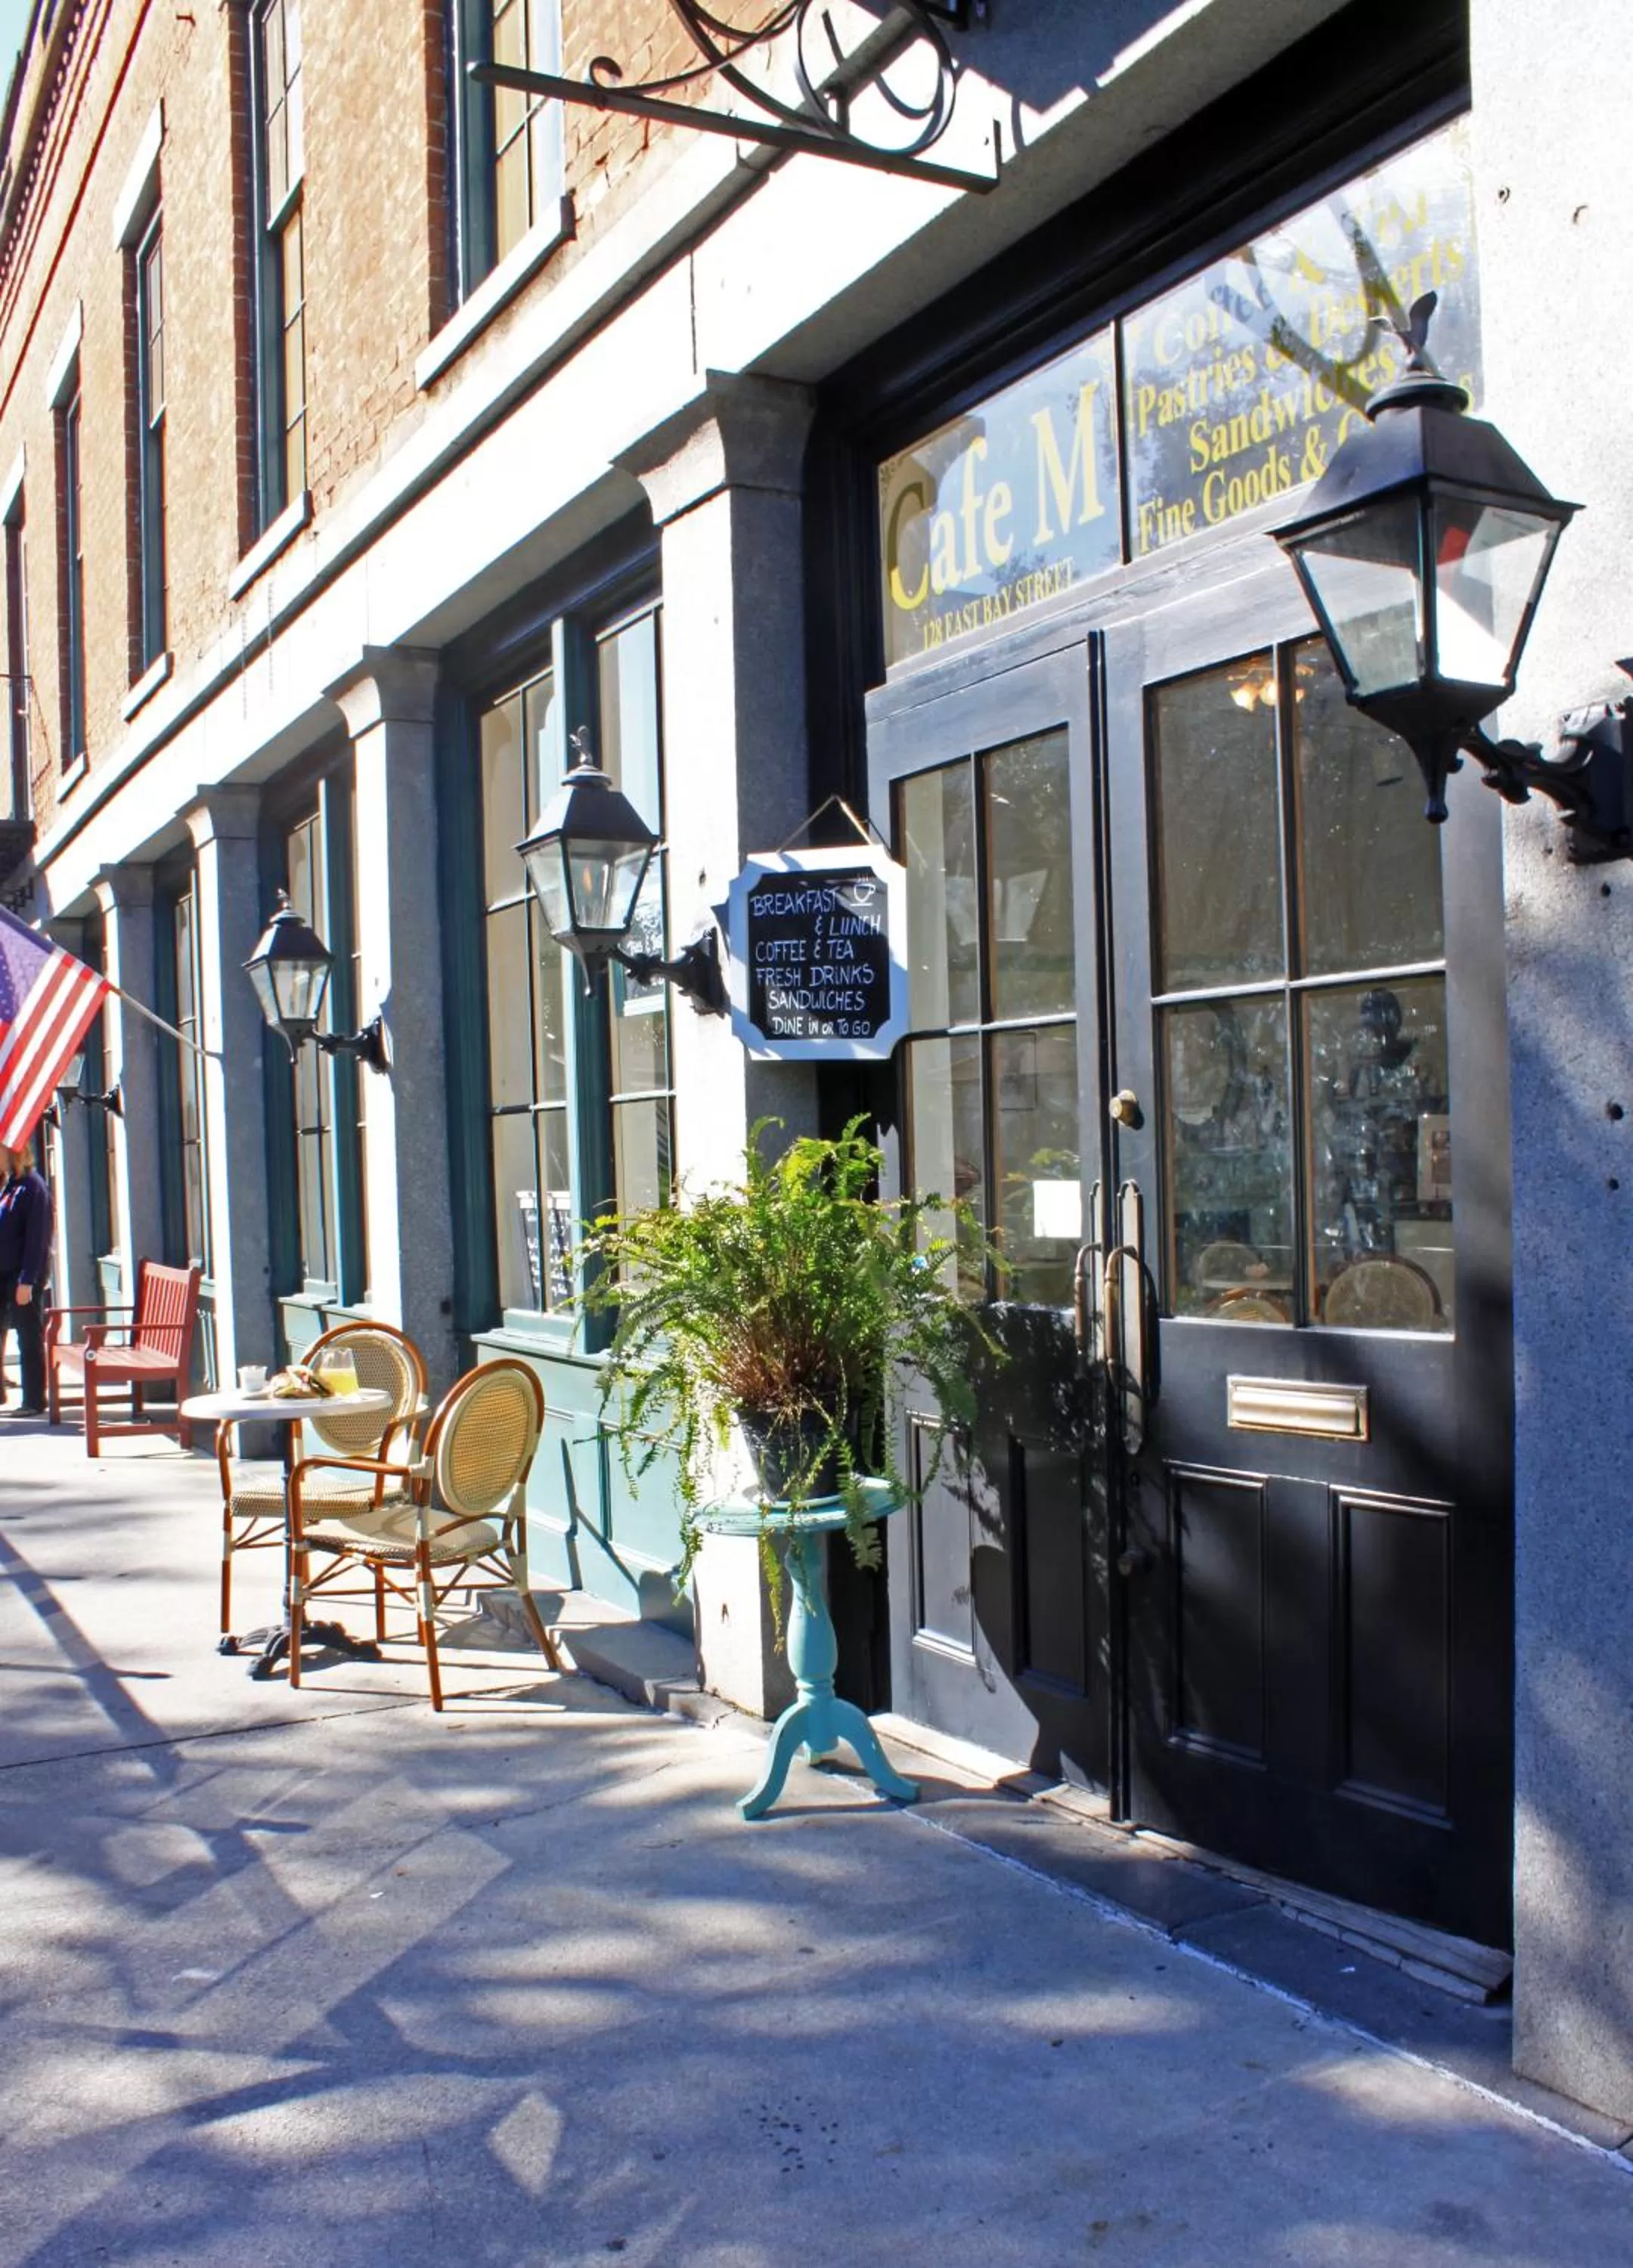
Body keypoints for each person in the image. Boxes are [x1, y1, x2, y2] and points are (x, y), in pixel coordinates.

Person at [0, 1138, 53, 1417]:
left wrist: (27, 1280)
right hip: (3, 1273)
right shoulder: (10, 1185)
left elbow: (37, 1240)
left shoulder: (33, 1187)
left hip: (21, 1277)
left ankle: (34, 1400)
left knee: (28, 1337)